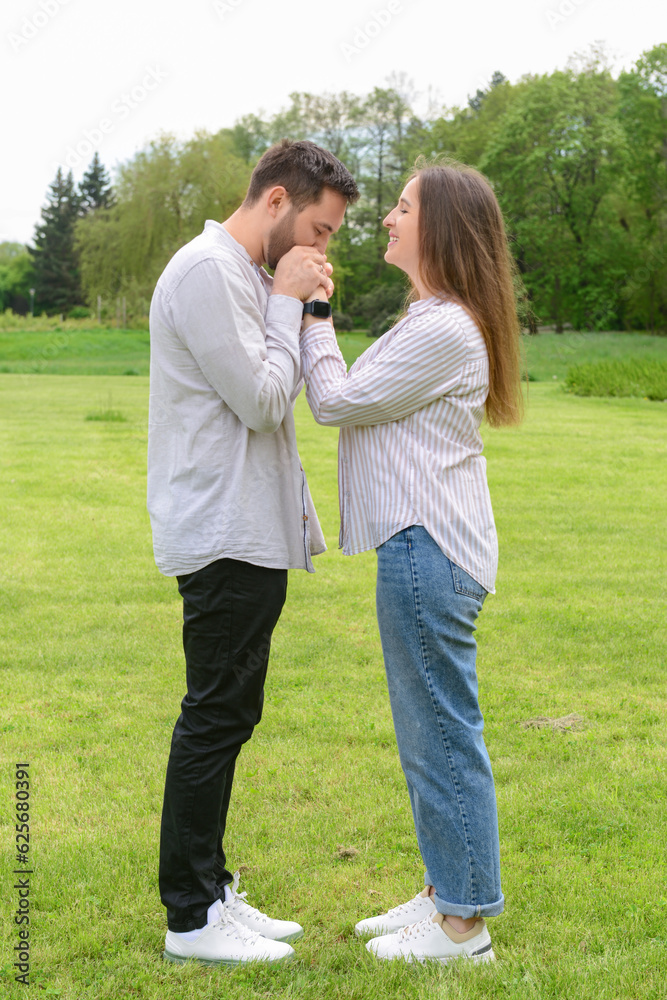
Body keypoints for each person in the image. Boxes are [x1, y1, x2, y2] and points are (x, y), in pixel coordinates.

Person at [299, 160, 523, 965]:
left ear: (440, 228)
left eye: (400, 208)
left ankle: (463, 925)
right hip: (422, 545)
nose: (387, 219)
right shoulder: (433, 318)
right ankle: (443, 892)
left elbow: (334, 401)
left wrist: (312, 309)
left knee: (440, 735)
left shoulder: (442, 326)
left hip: (427, 547)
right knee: (427, 731)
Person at [147, 139, 359, 967]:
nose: (321, 248)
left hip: (250, 529)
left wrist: (301, 309)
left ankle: (210, 890)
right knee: (213, 716)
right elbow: (266, 399)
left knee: (232, 715)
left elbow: (280, 386)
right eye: (318, 227)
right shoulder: (208, 272)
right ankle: (191, 919)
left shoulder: (246, 277)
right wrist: (285, 300)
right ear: (276, 203)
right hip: (222, 529)